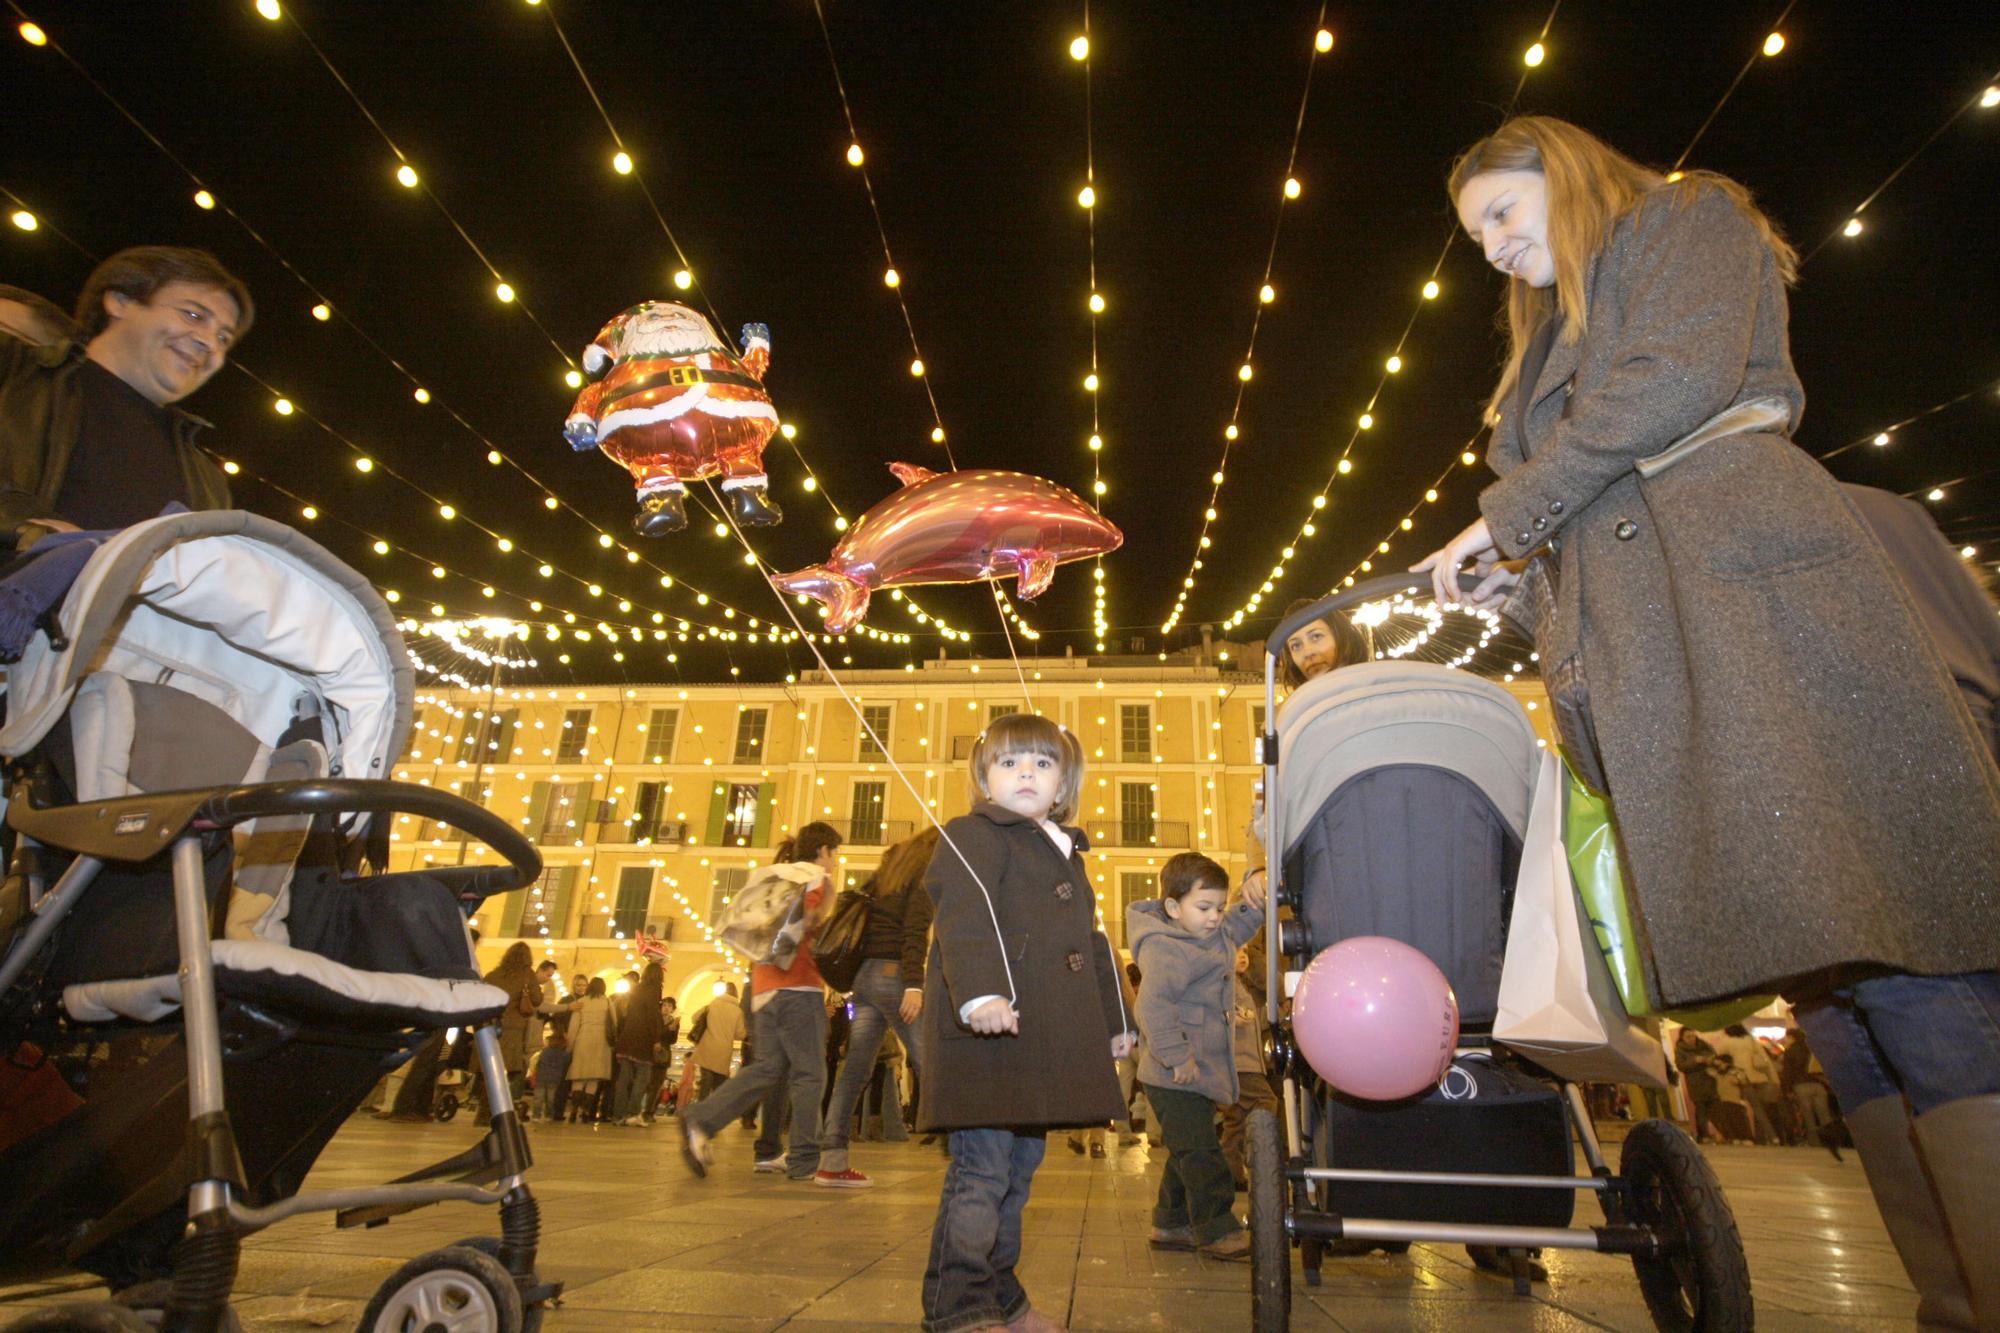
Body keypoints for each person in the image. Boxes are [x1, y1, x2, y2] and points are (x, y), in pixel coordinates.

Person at [1418, 116, 2000, 1327]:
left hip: (1760, 620)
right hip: (1671, 656)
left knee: (1905, 958)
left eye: (1502, 214)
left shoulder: (1684, 220)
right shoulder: (1536, 357)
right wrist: (1516, 578)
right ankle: (1949, 1299)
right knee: (1839, 1004)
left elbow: (1670, 383)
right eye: (1475, 233)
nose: (1490, 248)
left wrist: (1508, 511)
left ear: (1562, 173)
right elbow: (1588, 521)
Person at [914, 713, 1134, 1333]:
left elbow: (1090, 943)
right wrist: (979, 991)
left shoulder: (1066, 854)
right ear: (984, 779)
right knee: (981, 1174)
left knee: (1017, 1176)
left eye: (1042, 763)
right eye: (1009, 763)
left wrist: (1115, 1017)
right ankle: (956, 1306)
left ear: (1064, 783)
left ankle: (1001, 1296)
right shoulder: (973, 833)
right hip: (986, 1036)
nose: (1026, 774)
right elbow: (961, 914)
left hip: (1040, 1041)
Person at [1, 247, 252, 549]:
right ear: (120, 301)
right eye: (194, 315)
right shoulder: (16, 371)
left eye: (224, 337)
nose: (209, 342)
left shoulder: (209, 484)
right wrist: (29, 530)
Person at [678, 822, 843, 1182]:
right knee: (809, 1074)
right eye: (835, 854)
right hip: (799, 987)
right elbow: (808, 923)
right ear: (824, 850)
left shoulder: (770, 874)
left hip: (762, 988)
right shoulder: (817, 879)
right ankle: (804, 1160)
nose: (835, 862)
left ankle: (702, 1118)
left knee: (768, 1068)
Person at [1128, 852, 1267, 1261]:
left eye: (1219, 908)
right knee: (1202, 1153)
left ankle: (1170, 1223)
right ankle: (1216, 1228)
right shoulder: (1167, 949)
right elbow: (1152, 1007)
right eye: (1204, 907)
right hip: (1174, 1075)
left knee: (1186, 1147)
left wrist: (1254, 899)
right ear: (1173, 907)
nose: (1214, 917)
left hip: (1198, 1072)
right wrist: (1177, 1058)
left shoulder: (1214, 934)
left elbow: (1239, 923)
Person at [814, 826, 940, 1187]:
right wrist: (914, 984)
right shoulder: (922, 875)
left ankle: (832, 1162)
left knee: (854, 1070)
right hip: (893, 975)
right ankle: (968, 1147)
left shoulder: (885, 875)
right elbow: (915, 932)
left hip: (865, 978)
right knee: (929, 1059)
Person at [1217, 943, 1279, 1189]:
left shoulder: (1240, 984)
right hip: (1241, 1064)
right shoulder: (1225, 984)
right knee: (1268, 1103)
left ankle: (1232, 1174)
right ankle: (1262, 1154)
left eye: (1245, 952)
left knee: (1235, 1121)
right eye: (1238, 952)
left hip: (1245, 1062)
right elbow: (1218, 1014)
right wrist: (1233, 1018)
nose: (1243, 957)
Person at [479, 942, 543, 1125]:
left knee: (489, 1071)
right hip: (513, 1030)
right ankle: (499, 1111)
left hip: (489, 1027)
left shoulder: (494, 974)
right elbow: (537, 1000)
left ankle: (483, 1112)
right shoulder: (526, 975)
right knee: (511, 1071)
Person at [1275, 595, 1374, 693]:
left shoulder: (1378, 690)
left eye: (1316, 636)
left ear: (1342, 636)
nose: (1308, 653)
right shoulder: (1298, 706)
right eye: (1296, 646)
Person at [610, 961, 666, 1126]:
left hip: (628, 1036)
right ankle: (633, 1113)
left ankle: (618, 1115)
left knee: (624, 1079)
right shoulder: (655, 990)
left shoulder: (638, 988)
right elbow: (651, 1014)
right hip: (642, 1040)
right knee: (642, 1077)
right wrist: (656, 1038)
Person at [558, 976, 615, 1122]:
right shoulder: (607, 1002)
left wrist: (570, 1047)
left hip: (582, 1041)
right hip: (601, 1043)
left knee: (579, 1076)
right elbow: (613, 1023)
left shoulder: (581, 1002)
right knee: (593, 1078)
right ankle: (585, 1112)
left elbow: (573, 1026)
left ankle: (573, 1112)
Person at [689, 981, 745, 1101]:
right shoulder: (738, 1011)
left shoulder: (713, 1004)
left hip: (707, 1048)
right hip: (723, 1052)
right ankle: (714, 1113)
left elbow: (694, 1018)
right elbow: (740, 1034)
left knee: (705, 1082)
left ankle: (700, 1112)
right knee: (719, 1086)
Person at [1672, 1027, 1723, 1145]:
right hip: (1695, 1083)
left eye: (1693, 1036)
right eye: (1688, 1037)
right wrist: (1695, 1061)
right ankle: (1703, 1135)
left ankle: (1722, 1133)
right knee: (1701, 1109)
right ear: (1682, 1038)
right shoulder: (1681, 1050)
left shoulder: (1704, 1045)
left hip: (1710, 1080)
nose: (1691, 1039)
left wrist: (1710, 1060)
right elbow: (1681, 1065)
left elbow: (1714, 1056)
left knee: (1715, 1108)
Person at [529, 1030, 570, 1124]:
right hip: (554, 1079)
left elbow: (538, 1063)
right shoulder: (563, 1054)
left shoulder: (544, 1052)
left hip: (541, 1078)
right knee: (551, 1099)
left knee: (538, 1098)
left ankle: (536, 1115)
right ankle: (549, 1115)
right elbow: (567, 1061)